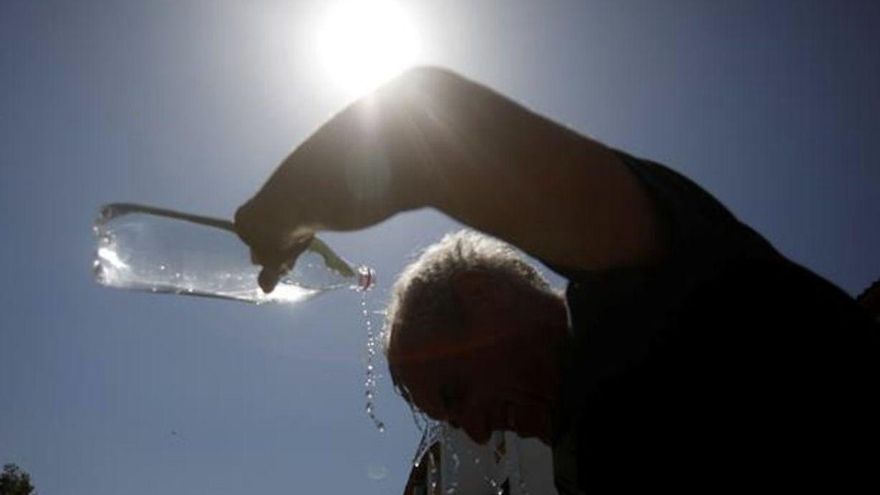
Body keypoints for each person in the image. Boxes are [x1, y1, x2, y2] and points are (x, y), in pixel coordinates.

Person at [235, 67, 879, 492]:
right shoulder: (572, 466)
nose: (479, 434)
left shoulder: (636, 280)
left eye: (456, 394)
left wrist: (280, 215)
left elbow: (417, 127)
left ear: (484, 296)